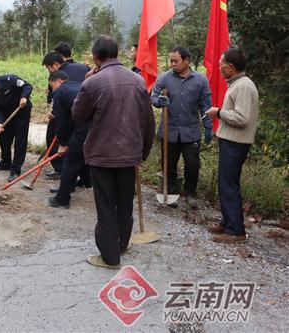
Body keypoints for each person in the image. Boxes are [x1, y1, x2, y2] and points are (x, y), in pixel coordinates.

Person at [72, 35, 155, 269]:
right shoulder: (138, 81)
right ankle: (121, 244)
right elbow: (148, 122)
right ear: (117, 53)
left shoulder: (92, 83)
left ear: (96, 56)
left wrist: (85, 84)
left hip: (102, 155)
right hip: (130, 155)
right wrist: (143, 152)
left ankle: (110, 257)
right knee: (124, 201)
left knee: (106, 204)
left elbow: (78, 116)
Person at [205, 48, 259, 244]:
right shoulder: (237, 83)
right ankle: (227, 222)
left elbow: (242, 118)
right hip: (231, 140)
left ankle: (236, 231)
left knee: (229, 185)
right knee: (226, 183)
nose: (219, 68)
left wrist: (219, 113)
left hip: (236, 142)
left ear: (232, 67)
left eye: (221, 65)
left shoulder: (243, 86)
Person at [151, 46, 213, 206]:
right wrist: (159, 101)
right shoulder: (165, 78)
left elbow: (205, 105)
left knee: (193, 164)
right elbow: (154, 95)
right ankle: (171, 192)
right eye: (171, 61)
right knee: (169, 164)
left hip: (190, 131)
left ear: (186, 61)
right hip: (169, 130)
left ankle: (190, 193)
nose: (172, 64)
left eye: (176, 61)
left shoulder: (201, 80)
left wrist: (208, 126)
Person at [42, 51, 90, 179]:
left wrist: (63, 143)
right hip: (87, 113)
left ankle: (61, 171)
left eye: (48, 68)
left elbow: (59, 100)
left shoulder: (59, 78)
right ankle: (85, 178)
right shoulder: (83, 67)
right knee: (82, 147)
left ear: (55, 65)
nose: (49, 71)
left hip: (69, 114)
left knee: (59, 137)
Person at [46, 71, 90, 209]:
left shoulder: (60, 92)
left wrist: (63, 142)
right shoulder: (78, 85)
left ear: (58, 81)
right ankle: (85, 181)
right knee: (82, 156)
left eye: (51, 85)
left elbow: (63, 121)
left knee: (70, 162)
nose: (52, 89)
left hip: (83, 127)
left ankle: (62, 198)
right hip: (96, 126)